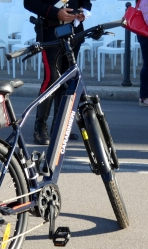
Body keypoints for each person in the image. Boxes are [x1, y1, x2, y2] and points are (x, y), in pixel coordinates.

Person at [24, 0, 92, 145]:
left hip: (73, 32)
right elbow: (29, 3)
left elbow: (86, 2)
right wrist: (56, 13)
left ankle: (59, 125)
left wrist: (83, 12)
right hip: (50, 33)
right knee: (52, 79)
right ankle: (40, 127)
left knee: (68, 80)